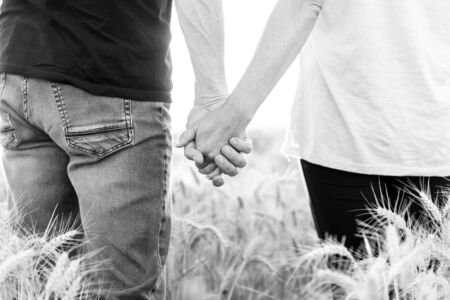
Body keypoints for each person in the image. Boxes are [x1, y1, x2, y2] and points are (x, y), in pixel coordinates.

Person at [0, 0, 250, 299]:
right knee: (117, 289)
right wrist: (211, 98)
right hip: (108, 71)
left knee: (39, 278)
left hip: (14, 66)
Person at [178, 0, 450, 254]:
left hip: (343, 123)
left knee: (357, 284)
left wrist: (228, 116)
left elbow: (303, 5)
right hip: (408, 126)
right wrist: (225, 111)